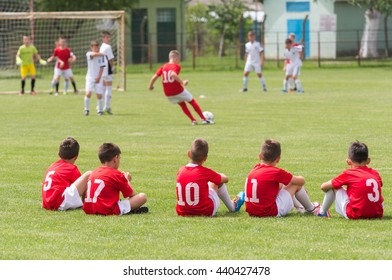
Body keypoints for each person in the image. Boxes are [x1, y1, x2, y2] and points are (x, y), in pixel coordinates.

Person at [245, 139, 319, 217]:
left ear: (260, 156)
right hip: (269, 212)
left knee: (282, 184)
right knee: (295, 184)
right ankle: (311, 209)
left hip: (252, 212)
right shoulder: (275, 172)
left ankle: (300, 207)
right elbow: (301, 181)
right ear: (278, 159)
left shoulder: (254, 169)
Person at [176, 138, 245, 216]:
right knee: (216, 181)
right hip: (205, 211)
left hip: (182, 211)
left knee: (206, 184)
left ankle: (232, 205)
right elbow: (225, 179)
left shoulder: (180, 170)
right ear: (205, 158)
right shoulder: (205, 172)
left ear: (188, 154)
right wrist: (218, 174)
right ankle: (233, 206)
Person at [315, 141, 384, 219]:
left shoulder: (349, 173)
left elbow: (323, 186)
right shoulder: (375, 173)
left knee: (334, 186)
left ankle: (322, 212)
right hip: (377, 214)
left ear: (348, 162)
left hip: (356, 214)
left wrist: (332, 191)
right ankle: (374, 210)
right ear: (368, 160)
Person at [148, 50, 211, 125]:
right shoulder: (176, 66)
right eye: (179, 59)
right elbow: (173, 75)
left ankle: (193, 120)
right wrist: (182, 82)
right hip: (178, 91)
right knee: (192, 101)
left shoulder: (163, 67)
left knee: (182, 104)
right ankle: (203, 119)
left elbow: (153, 77)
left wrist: (150, 86)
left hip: (168, 93)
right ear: (176, 58)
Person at [83, 143, 148, 215]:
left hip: (88, 209)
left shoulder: (93, 173)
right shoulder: (116, 174)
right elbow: (132, 195)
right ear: (115, 158)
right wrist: (127, 180)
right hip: (107, 210)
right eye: (119, 158)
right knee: (142, 197)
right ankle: (128, 210)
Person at [42, 137, 91, 211]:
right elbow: (83, 186)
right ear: (76, 157)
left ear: (58, 154)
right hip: (59, 202)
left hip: (47, 203)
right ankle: (87, 204)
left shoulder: (52, 166)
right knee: (89, 174)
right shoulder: (71, 168)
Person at [84, 40, 105, 116]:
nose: (96, 47)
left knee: (99, 95)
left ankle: (100, 110)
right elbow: (94, 55)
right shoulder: (89, 54)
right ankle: (86, 110)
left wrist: (99, 77)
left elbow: (102, 67)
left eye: (97, 46)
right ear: (91, 47)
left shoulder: (102, 56)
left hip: (98, 77)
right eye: (94, 46)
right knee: (88, 93)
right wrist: (102, 53)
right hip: (90, 77)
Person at [100, 31, 115, 115]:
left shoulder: (101, 46)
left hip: (101, 68)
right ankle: (107, 107)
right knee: (108, 88)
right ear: (103, 38)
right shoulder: (108, 47)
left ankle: (100, 106)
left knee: (103, 88)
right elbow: (110, 59)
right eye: (107, 37)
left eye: (109, 37)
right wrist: (112, 67)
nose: (109, 39)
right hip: (107, 69)